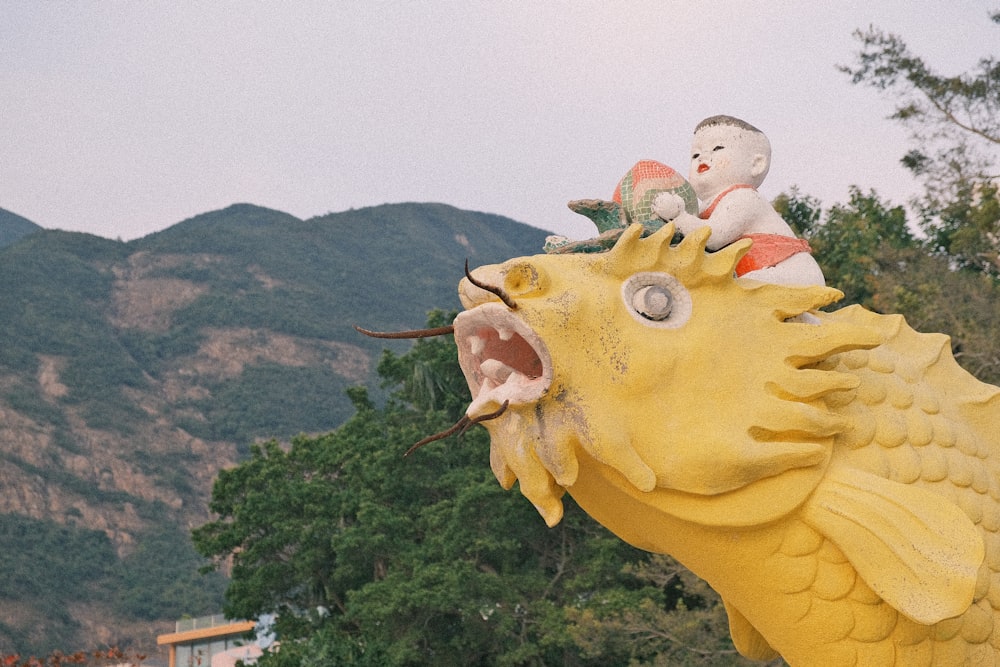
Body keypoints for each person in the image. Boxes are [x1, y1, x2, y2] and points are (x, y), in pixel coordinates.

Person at [652, 115, 825, 286]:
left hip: (792, 272)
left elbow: (713, 237)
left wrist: (678, 216)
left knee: (737, 291)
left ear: (756, 164)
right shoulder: (707, 207)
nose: (702, 158)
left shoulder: (744, 197)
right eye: (695, 154)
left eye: (717, 148)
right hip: (761, 272)